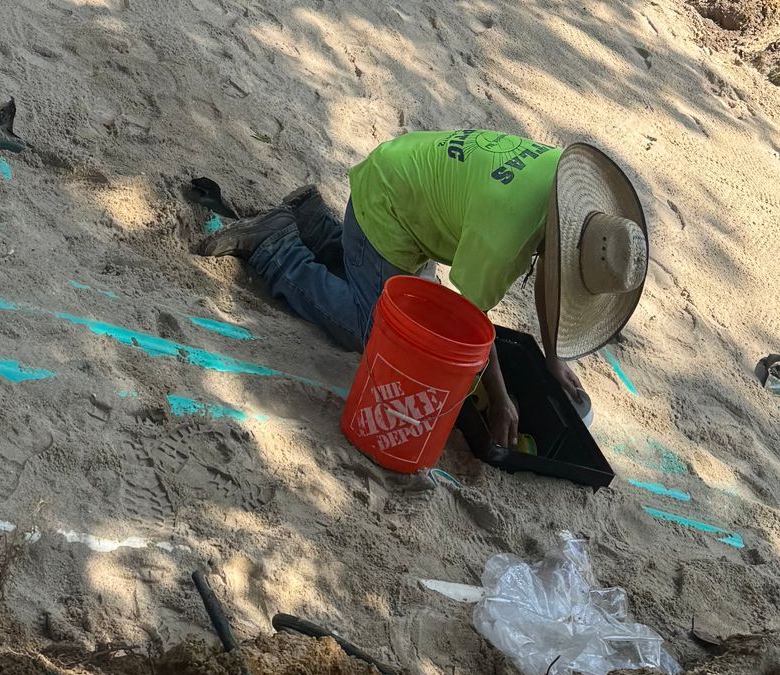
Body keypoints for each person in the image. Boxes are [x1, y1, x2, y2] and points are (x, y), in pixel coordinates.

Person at [197, 128, 648, 451]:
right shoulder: (504, 240)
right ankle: (274, 246)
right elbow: (466, 320)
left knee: (385, 290)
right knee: (374, 328)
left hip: (408, 175)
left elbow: (553, 273)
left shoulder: (563, 188)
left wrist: (553, 356)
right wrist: (503, 402)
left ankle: (312, 221)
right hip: (390, 204)